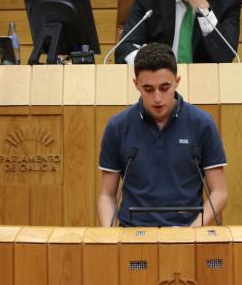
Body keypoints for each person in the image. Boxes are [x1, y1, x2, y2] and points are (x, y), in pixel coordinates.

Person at [97, 43, 227, 227]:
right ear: (136, 85)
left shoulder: (202, 124)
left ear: (177, 81)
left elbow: (219, 192)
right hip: (133, 236)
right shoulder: (118, 126)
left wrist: (193, 231)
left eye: (164, 88)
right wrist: (110, 236)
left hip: (187, 234)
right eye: (148, 89)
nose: (157, 98)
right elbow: (107, 195)